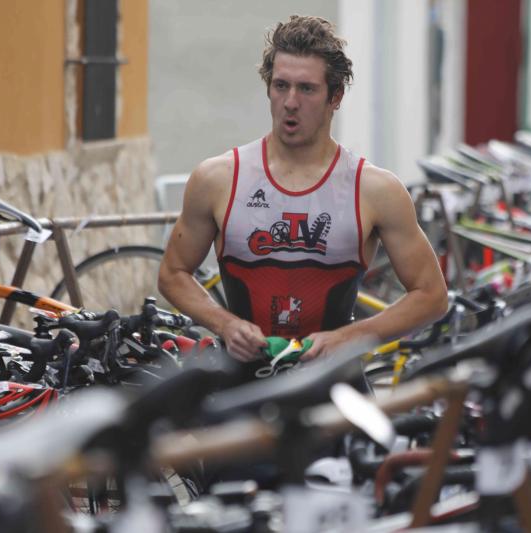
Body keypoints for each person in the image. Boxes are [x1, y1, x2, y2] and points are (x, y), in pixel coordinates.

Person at [158, 15, 448, 363]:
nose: (290, 102)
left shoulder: (374, 189)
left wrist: (349, 337)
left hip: (331, 387)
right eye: (281, 86)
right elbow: (172, 273)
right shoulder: (218, 178)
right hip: (242, 387)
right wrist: (225, 324)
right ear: (269, 88)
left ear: (335, 96)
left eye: (307, 89)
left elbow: (431, 295)